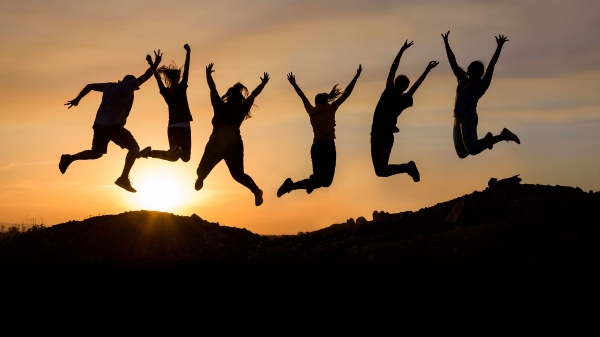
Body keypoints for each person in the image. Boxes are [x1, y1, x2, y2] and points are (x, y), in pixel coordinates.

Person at [59, 54, 162, 192]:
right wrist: (155, 63)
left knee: (96, 153)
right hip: (113, 126)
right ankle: (123, 178)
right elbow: (146, 76)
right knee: (134, 148)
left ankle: (70, 158)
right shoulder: (128, 86)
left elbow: (89, 86)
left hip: (99, 125)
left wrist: (78, 99)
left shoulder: (109, 86)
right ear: (132, 83)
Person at [277, 65, 362, 198]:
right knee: (326, 182)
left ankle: (291, 186)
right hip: (327, 147)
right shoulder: (331, 108)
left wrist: (294, 84)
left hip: (316, 147)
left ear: (316, 102)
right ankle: (296, 185)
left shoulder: (312, 111)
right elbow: (347, 93)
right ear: (326, 100)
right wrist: (356, 77)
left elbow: (303, 97)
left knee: (316, 180)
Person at [194, 63, 269, 206]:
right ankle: (256, 190)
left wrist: (208, 74)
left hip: (216, 141)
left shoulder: (220, 106)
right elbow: (253, 95)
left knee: (201, 168)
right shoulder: (241, 109)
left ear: (228, 97)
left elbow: (213, 88)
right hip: (234, 143)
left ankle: (203, 174)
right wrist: (263, 83)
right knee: (238, 174)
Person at [442, 31, 520, 159]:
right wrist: (446, 42)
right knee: (462, 154)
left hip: (469, 117)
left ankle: (502, 136)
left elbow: (492, 65)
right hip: (457, 118)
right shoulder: (462, 79)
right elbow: (452, 61)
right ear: (470, 70)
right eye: (476, 71)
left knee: (472, 150)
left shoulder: (481, 85)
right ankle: (487, 140)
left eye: (481, 72)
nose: (478, 74)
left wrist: (499, 47)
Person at [370, 40, 439, 182]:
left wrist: (402, 50)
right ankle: (407, 168)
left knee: (380, 170)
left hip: (378, 135)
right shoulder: (404, 101)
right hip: (389, 137)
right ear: (405, 88)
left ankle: (407, 167)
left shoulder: (389, 92)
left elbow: (392, 69)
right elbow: (416, 86)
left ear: (395, 82)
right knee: (383, 169)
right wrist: (427, 70)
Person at [138, 45, 193, 163]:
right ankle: (177, 150)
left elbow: (157, 79)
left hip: (172, 126)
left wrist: (151, 64)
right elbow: (187, 69)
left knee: (173, 157)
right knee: (186, 158)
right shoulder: (181, 88)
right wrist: (188, 52)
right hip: (184, 125)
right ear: (178, 78)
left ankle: (160, 151)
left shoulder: (166, 92)